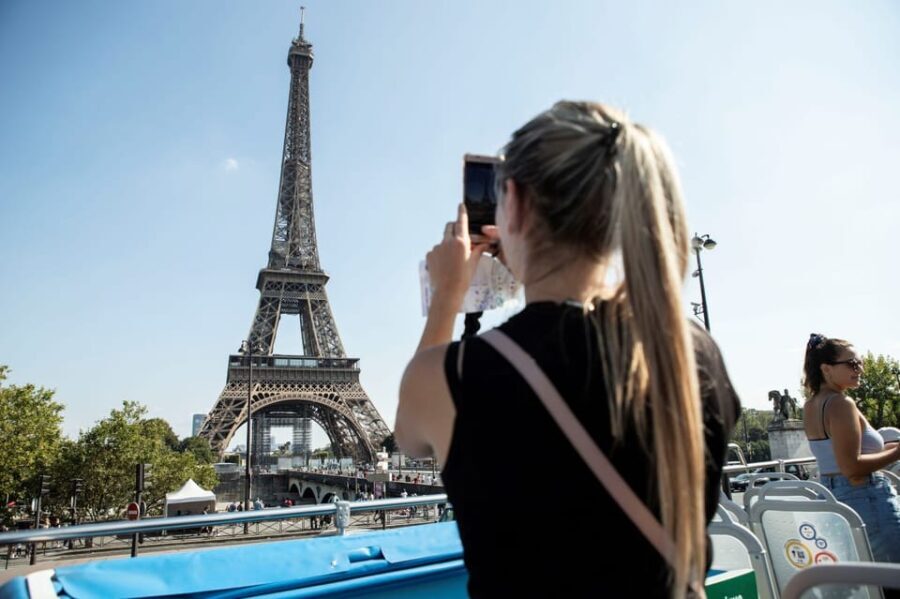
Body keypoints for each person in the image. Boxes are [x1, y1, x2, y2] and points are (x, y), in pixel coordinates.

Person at [395, 101, 740, 597]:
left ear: (514, 201)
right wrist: (531, 262)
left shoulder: (451, 377)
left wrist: (449, 294)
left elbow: (410, 439)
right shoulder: (692, 351)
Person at [803, 334, 900, 564]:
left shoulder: (811, 405)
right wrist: (897, 453)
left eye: (860, 363)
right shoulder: (841, 404)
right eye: (852, 364)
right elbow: (851, 468)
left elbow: (834, 457)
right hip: (865, 499)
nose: (860, 369)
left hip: (832, 499)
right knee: (891, 577)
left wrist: (888, 448)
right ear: (826, 369)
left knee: (861, 579)